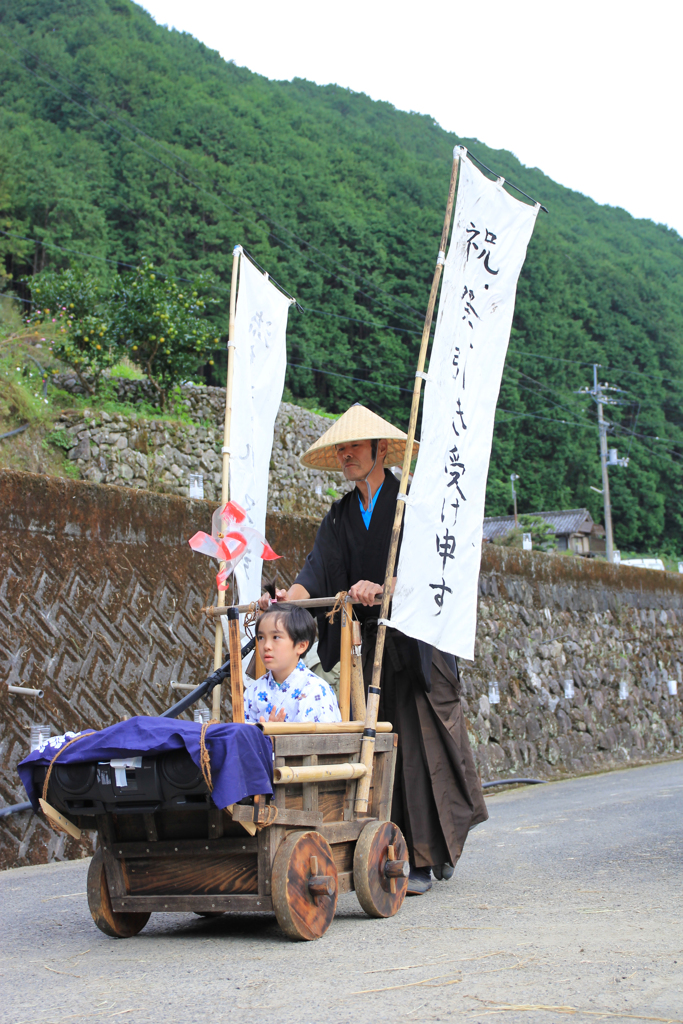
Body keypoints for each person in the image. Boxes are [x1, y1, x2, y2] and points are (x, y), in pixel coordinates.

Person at [258, 403, 488, 895]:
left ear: (381, 450)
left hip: (417, 644)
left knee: (422, 745)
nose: (345, 454)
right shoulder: (340, 515)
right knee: (377, 747)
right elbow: (314, 575)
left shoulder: (413, 500)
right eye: (340, 448)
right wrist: (283, 603)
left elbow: (435, 567)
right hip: (368, 647)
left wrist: (386, 587)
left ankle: (427, 856)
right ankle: (392, 848)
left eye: (353, 446)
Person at [244, 603, 342, 725]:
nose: (266, 646)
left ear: (301, 646)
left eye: (276, 637)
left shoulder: (317, 690)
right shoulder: (252, 692)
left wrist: (279, 737)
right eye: (261, 637)